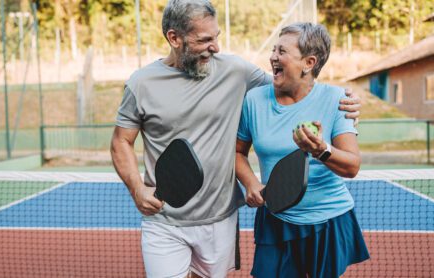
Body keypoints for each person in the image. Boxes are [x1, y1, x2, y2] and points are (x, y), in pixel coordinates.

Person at [111, 1, 361, 277]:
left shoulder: (236, 71)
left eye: (216, 37)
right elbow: (121, 142)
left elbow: (297, 85)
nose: (216, 47)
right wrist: (137, 189)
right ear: (174, 38)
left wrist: (348, 102)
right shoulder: (141, 83)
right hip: (164, 219)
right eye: (205, 39)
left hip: (220, 218)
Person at [235, 22, 370, 278]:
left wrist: (321, 150)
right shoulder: (253, 100)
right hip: (274, 217)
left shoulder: (337, 99)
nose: (273, 56)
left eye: (282, 51)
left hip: (328, 220)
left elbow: (352, 166)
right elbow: (237, 151)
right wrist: (251, 182)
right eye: (274, 49)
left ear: (309, 62)